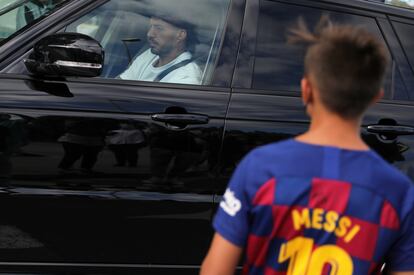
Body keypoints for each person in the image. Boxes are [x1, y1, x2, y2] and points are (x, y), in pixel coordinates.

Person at [200, 18, 414, 275]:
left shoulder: (260, 168)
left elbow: (215, 270)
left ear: (306, 90)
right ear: (375, 98)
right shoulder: (399, 194)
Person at [119, 15, 202, 85]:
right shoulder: (150, 55)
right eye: (151, 27)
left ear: (180, 35)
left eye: (159, 28)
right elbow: (120, 83)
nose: (150, 34)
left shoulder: (186, 77)